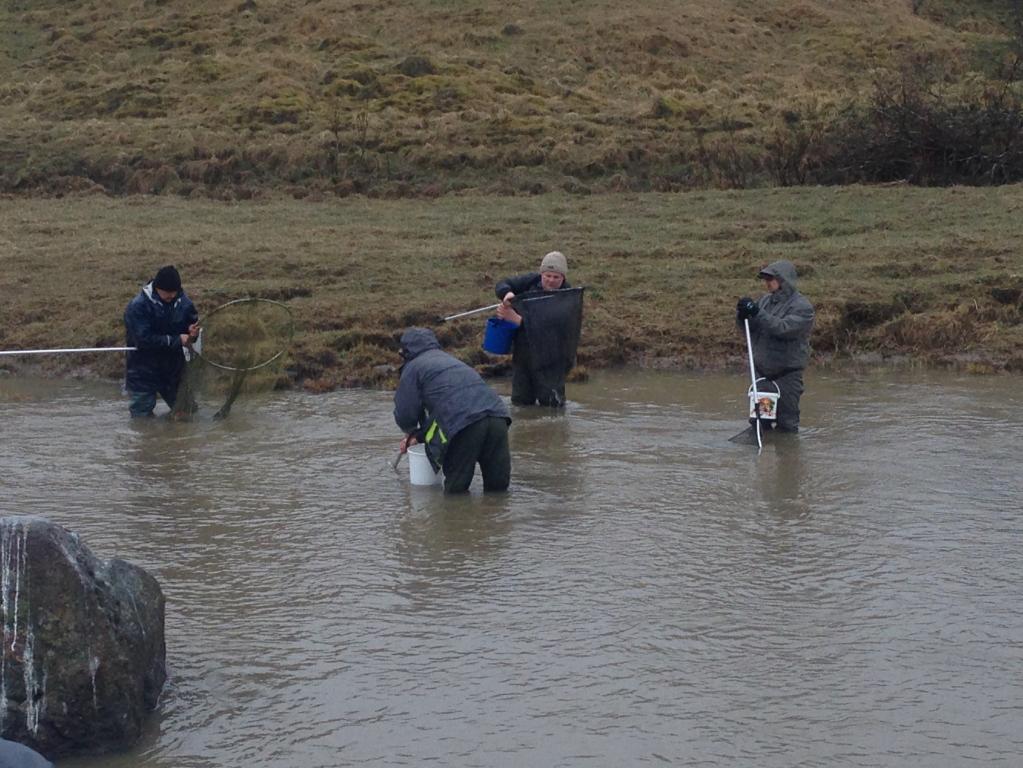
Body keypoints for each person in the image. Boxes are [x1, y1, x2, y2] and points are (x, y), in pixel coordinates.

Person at [394, 327, 511, 494]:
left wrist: (410, 432)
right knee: (498, 490)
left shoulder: (413, 367)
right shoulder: (450, 360)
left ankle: (457, 512)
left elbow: (406, 413)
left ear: (406, 352)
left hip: (464, 425)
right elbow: (446, 409)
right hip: (497, 416)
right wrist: (418, 436)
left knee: (456, 492)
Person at [736, 259, 815, 432]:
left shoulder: (802, 307)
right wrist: (742, 316)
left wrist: (757, 312)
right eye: (765, 279)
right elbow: (752, 329)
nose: (767, 283)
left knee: (787, 425)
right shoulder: (765, 301)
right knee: (760, 423)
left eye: (770, 279)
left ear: (783, 279)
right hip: (763, 377)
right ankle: (763, 447)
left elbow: (783, 328)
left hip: (787, 377)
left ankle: (787, 450)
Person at [494, 250, 580, 406]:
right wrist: (507, 294)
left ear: (563, 277)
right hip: (523, 357)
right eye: (547, 275)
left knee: (552, 408)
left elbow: (549, 329)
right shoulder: (531, 281)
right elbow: (503, 283)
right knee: (520, 404)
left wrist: (518, 320)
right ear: (541, 274)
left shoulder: (569, 299)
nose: (551, 281)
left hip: (551, 362)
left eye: (556, 277)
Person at [123, 265, 199, 418]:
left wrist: (192, 333)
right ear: (156, 288)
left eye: (174, 292)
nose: (171, 296)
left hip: (174, 370)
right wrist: (177, 340)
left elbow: (191, 328)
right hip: (143, 370)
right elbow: (143, 340)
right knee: (141, 418)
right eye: (166, 292)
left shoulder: (185, 304)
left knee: (188, 412)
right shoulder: (137, 307)